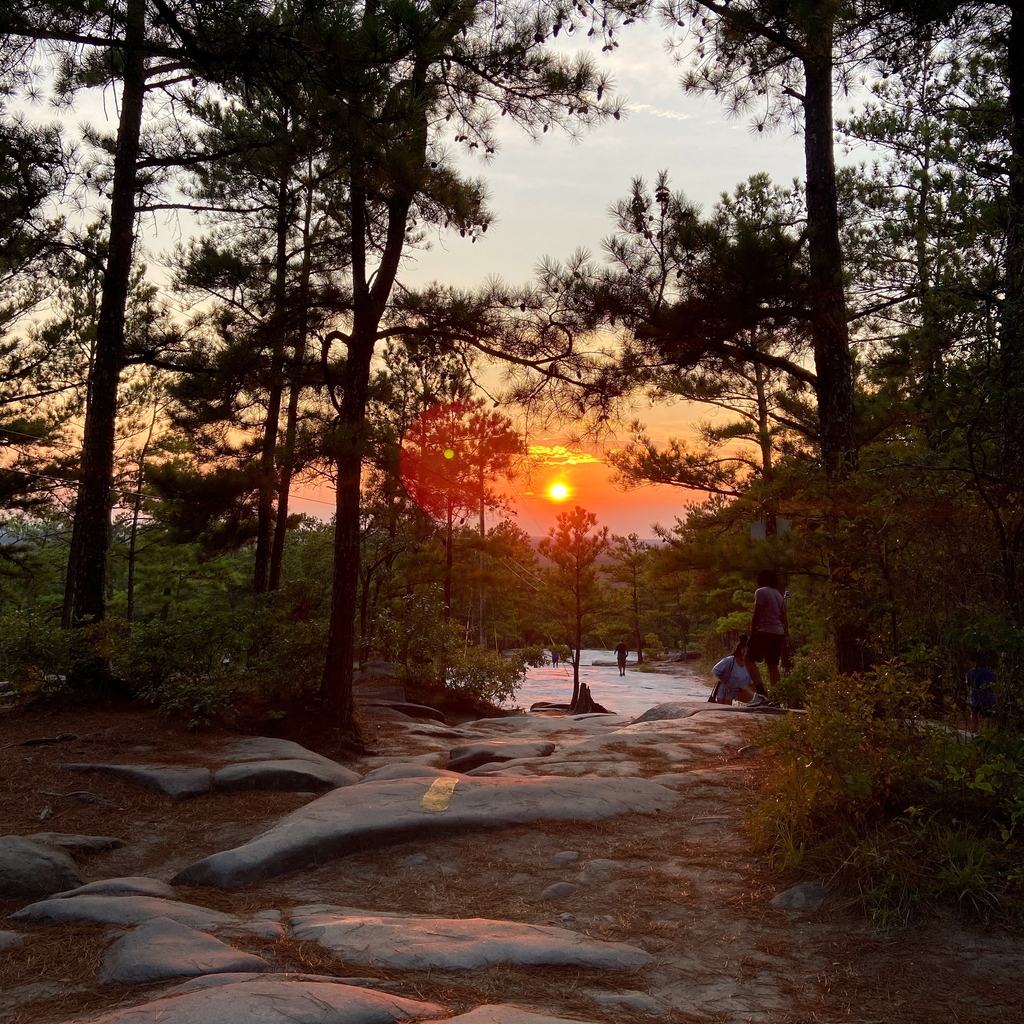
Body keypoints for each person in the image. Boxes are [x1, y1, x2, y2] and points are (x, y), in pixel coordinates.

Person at [745, 570, 787, 698]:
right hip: (778, 632)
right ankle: (777, 695)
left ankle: (760, 690)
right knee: (773, 665)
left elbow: (758, 612)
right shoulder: (779, 595)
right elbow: (782, 616)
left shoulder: (761, 592)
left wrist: (753, 629)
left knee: (748, 659)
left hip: (765, 631)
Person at [710, 636, 767, 706]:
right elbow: (716, 671)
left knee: (759, 702)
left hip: (740, 690)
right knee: (727, 710)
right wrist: (725, 683)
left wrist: (760, 693)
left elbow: (752, 683)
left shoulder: (749, 665)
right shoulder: (730, 661)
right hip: (726, 690)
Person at [967, 661, 997, 732]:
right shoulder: (987, 672)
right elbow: (993, 682)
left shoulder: (970, 672)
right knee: (988, 716)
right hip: (987, 698)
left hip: (975, 697)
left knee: (974, 713)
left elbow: (968, 684)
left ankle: (974, 730)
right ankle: (987, 731)